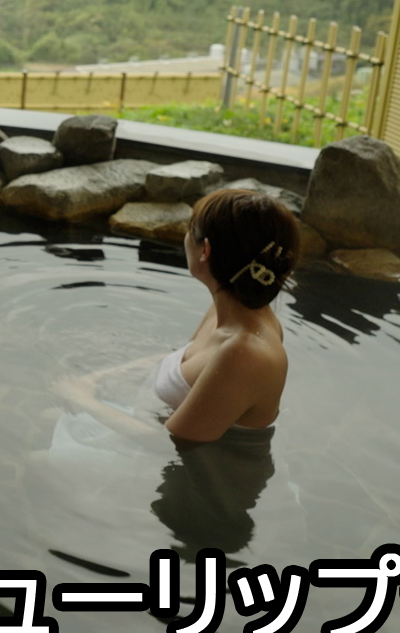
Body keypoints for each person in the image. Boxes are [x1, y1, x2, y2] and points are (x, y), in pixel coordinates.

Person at [53, 188, 300, 443]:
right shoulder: (230, 309)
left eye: (190, 230)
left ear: (205, 251)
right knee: (52, 418)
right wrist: (99, 378)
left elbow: (166, 443)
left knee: (39, 456)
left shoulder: (247, 354)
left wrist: (84, 400)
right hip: (148, 425)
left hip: (195, 464)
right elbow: (184, 363)